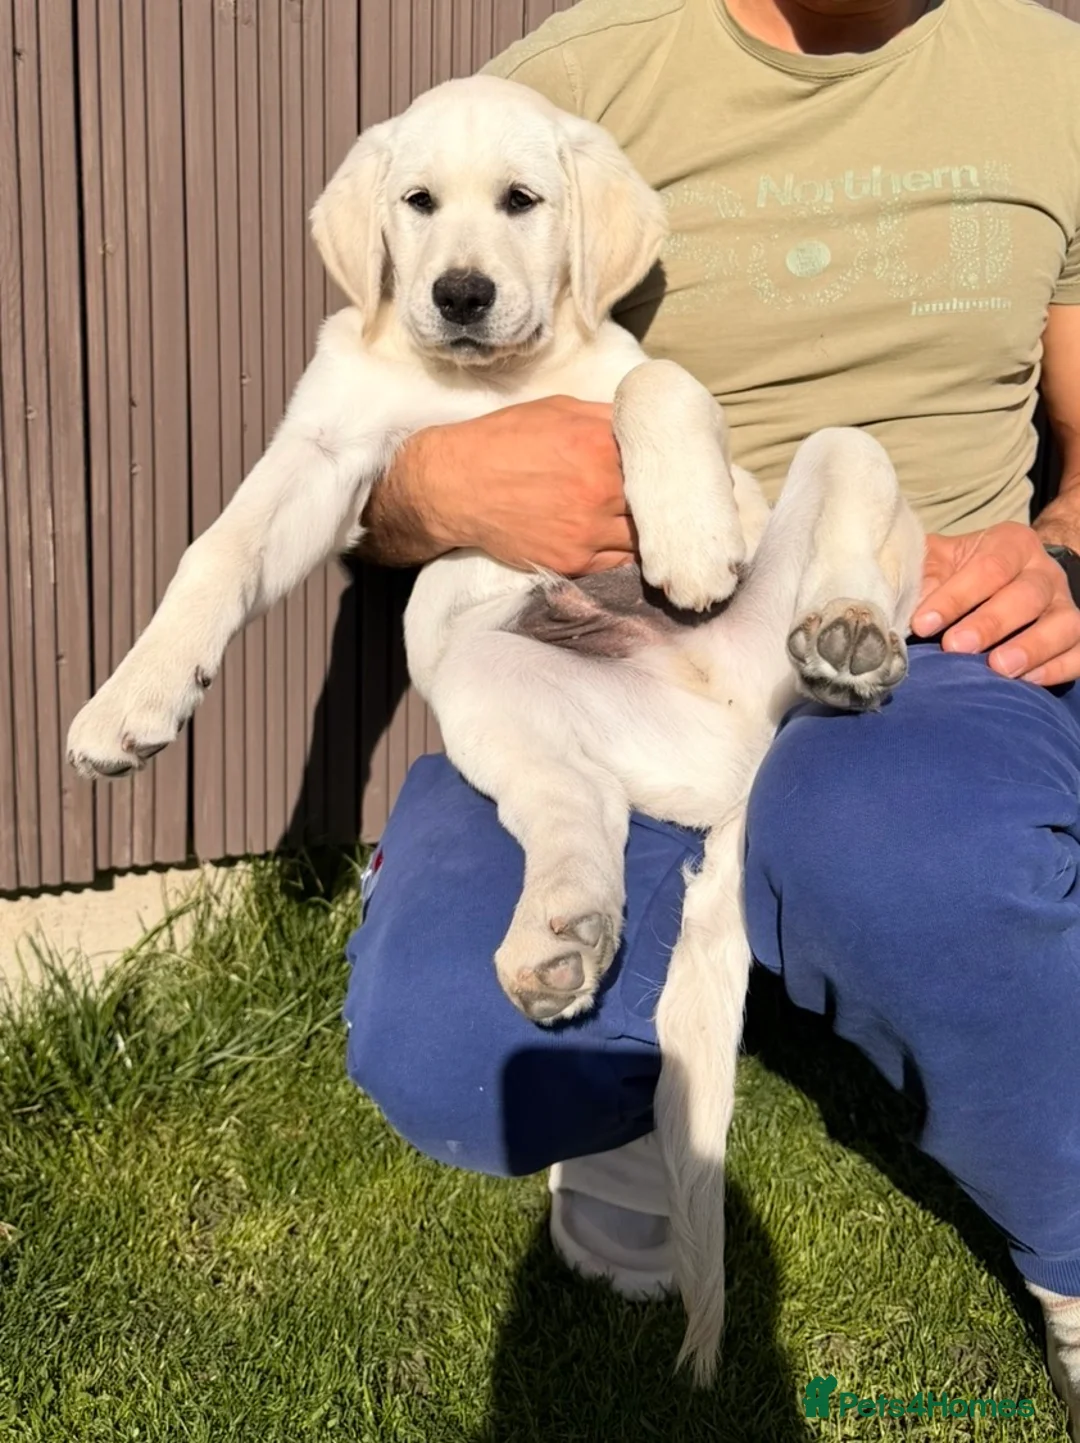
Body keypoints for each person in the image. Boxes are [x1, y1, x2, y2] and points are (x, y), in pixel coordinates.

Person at [343, 0, 1080, 1429]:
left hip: (910, 616)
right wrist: (430, 495)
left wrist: (1071, 558)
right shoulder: (566, 89)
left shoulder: (1051, 75)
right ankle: (628, 1086)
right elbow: (359, 455)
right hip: (605, 632)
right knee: (453, 1036)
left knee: (898, 844)